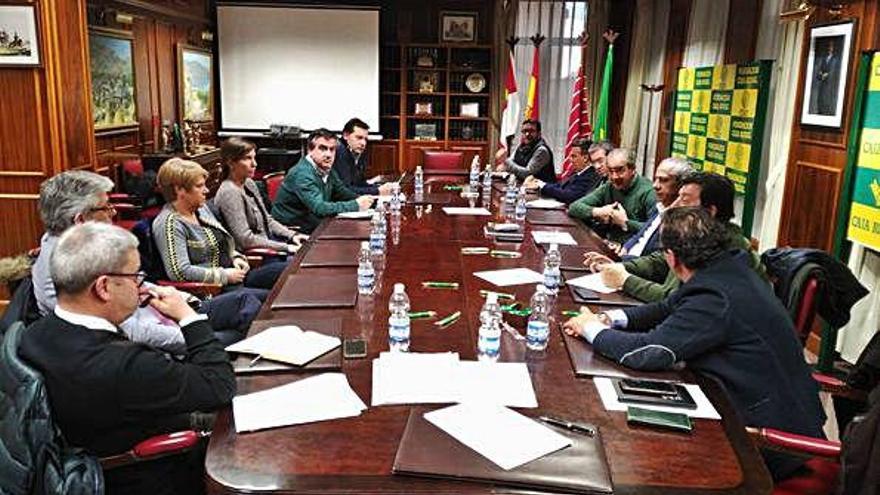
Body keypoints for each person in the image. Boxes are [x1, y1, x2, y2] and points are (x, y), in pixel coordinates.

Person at [563, 207, 826, 481]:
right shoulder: (730, 268)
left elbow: (650, 353)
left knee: (642, 463)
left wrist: (590, 328)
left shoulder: (714, 296)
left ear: (672, 257)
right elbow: (668, 306)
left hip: (768, 442)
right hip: (770, 409)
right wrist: (610, 318)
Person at [20, 222, 236, 495]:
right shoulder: (124, 365)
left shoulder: (34, 333)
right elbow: (220, 386)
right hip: (150, 472)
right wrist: (189, 318)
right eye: (136, 278)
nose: (141, 287)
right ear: (104, 287)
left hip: (99, 439)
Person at [33, 171, 256, 352]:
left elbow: (135, 282)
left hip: (166, 311)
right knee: (243, 337)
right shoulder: (64, 271)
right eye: (106, 207)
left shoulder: (80, 244)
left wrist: (182, 299)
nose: (112, 213)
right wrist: (194, 330)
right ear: (80, 219)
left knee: (246, 302)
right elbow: (131, 332)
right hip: (158, 339)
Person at [586, 172, 764, 303]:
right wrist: (617, 266)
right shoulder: (700, 234)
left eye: (685, 201)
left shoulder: (725, 247)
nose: (674, 206)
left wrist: (625, 280)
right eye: (678, 198)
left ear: (710, 211)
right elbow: (659, 261)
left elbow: (673, 298)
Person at [153, 158, 284, 291]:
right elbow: (180, 272)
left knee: (286, 270)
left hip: (235, 277)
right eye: (199, 186)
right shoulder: (169, 223)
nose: (206, 191)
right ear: (179, 190)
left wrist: (235, 258)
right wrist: (224, 275)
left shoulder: (201, 209)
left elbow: (223, 243)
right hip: (212, 290)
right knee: (266, 300)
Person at [214, 137, 309, 253]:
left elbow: (267, 220)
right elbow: (245, 240)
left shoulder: (249, 183)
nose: (254, 164)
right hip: (257, 257)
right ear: (230, 162)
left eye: (254, 158)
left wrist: (292, 235)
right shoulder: (230, 192)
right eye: (248, 158)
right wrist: (286, 247)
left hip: (269, 243)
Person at [271, 128, 373, 233]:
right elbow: (319, 208)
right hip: (292, 231)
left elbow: (343, 192)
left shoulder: (326, 168)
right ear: (310, 150)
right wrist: (356, 205)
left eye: (332, 149)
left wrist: (370, 201)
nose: (328, 155)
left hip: (314, 225)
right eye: (323, 149)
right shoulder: (302, 174)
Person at [601, 157, 692, 259]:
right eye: (655, 179)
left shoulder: (683, 221)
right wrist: (625, 248)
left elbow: (655, 261)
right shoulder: (659, 206)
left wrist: (622, 262)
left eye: (664, 180)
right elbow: (640, 236)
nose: (655, 185)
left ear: (681, 185)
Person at [568, 148, 656, 244]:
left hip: (635, 250)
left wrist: (625, 223)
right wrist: (600, 212)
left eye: (620, 170)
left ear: (633, 169)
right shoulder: (609, 186)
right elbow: (574, 207)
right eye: (610, 171)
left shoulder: (649, 191)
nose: (615, 177)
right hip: (610, 244)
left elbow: (655, 232)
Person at [522, 138, 602, 205]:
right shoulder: (576, 172)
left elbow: (569, 195)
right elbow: (560, 186)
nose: (570, 160)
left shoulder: (591, 175)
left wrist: (541, 185)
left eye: (574, 156)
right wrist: (539, 183)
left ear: (585, 158)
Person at [332, 118, 394, 196]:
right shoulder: (340, 151)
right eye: (359, 138)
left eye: (365, 139)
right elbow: (346, 189)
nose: (363, 143)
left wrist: (380, 187)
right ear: (345, 135)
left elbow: (358, 183)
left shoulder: (357, 151)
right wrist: (377, 190)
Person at [494, 119, 556, 183]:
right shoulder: (522, 146)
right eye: (524, 131)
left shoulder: (542, 151)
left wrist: (505, 161)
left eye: (531, 131)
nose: (527, 134)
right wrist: (503, 167)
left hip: (541, 191)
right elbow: (511, 163)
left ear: (539, 133)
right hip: (523, 188)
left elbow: (527, 174)